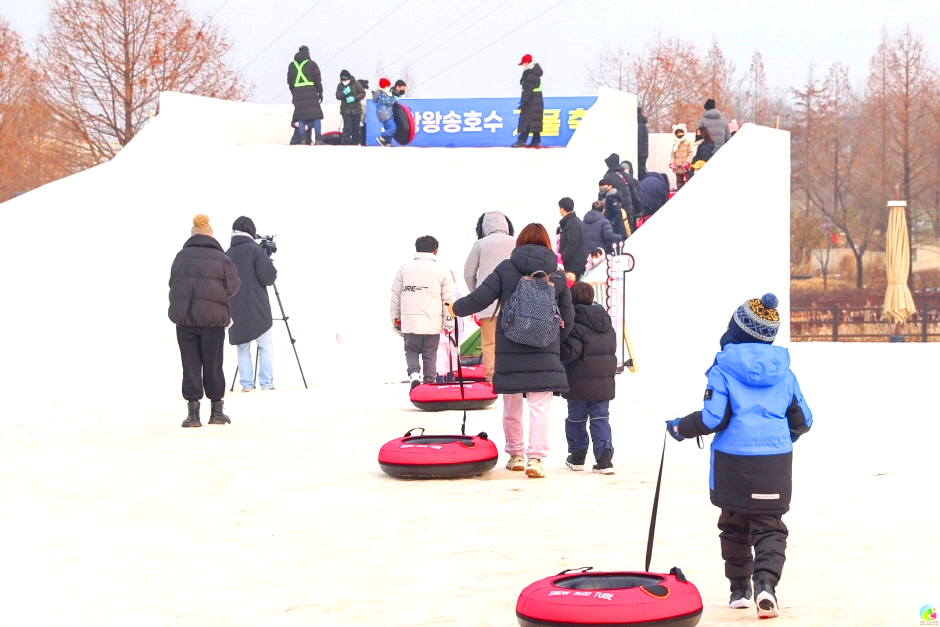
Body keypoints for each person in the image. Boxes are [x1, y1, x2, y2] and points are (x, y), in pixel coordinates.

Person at [665, 293, 812, 618]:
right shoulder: (785, 374)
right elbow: (805, 421)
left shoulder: (723, 367)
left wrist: (679, 428)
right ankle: (766, 587)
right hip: (774, 463)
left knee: (733, 525)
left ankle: (739, 591)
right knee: (770, 527)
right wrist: (780, 438)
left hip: (732, 463)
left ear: (737, 330)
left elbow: (713, 418)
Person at [448, 223, 574, 479]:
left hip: (510, 345)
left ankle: (516, 455)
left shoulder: (506, 268)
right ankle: (536, 460)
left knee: (512, 402)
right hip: (544, 347)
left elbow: (480, 297)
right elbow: (568, 316)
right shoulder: (557, 274)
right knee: (540, 405)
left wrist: (455, 309)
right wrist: (556, 338)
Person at [168, 214, 241, 428]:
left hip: (186, 320)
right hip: (213, 321)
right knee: (213, 364)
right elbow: (233, 287)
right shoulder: (222, 259)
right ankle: (217, 412)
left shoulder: (180, 257)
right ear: (212, 236)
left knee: (190, 364)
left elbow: (172, 283)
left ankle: (193, 416)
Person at [560, 282, 617, 474]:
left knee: (576, 418)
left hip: (578, 380)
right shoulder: (606, 322)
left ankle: (577, 457)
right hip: (604, 380)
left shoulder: (574, 321)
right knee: (601, 417)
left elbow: (571, 353)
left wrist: (558, 342)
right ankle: (604, 459)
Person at [390, 235, 456, 389]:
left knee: (411, 349)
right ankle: (429, 384)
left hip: (410, 323)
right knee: (430, 355)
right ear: (435, 251)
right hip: (432, 324)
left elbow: (395, 297)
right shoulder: (443, 271)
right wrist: (449, 323)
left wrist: (395, 320)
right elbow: (449, 300)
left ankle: (414, 374)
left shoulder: (403, 270)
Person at [226, 216, 278, 392]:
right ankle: (266, 384)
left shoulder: (227, 253)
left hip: (235, 307)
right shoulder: (255, 251)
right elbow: (269, 278)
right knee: (265, 346)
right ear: (251, 231)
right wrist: (266, 258)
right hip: (258, 307)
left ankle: (247, 385)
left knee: (242, 346)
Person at [464, 211, 516, 384]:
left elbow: (468, 273)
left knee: (489, 343)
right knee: (514, 341)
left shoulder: (480, 244)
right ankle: (512, 376)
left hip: (487, 303)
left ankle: (491, 378)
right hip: (514, 301)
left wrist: (477, 294)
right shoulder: (516, 242)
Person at [287, 46, 324, 145]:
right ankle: (318, 139)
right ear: (308, 53)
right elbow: (317, 80)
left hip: (298, 93)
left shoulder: (291, 66)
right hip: (311, 91)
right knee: (316, 117)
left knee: (301, 117)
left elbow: (290, 82)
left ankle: (303, 139)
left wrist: (294, 94)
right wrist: (320, 92)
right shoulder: (312, 64)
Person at [603, 153, 641, 231]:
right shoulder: (626, 176)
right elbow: (634, 194)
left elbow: (603, 197)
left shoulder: (607, 177)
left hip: (614, 209)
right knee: (629, 229)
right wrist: (639, 209)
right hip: (629, 208)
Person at [513, 54, 543, 148]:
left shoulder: (530, 75)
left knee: (526, 121)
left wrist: (523, 102)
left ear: (527, 63)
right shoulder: (535, 73)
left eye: (523, 64)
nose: (523, 66)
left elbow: (528, 90)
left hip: (531, 102)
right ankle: (536, 140)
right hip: (536, 101)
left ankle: (521, 140)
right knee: (535, 121)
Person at [557, 197, 586, 278]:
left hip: (574, 266)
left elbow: (572, 245)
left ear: (562, 209)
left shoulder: (572, 224)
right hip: (576, 263)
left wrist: (561, 259)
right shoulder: (574, 221)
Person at [336, 69, 365, 146]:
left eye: (346, 79)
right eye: (343, 80)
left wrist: (354, 98)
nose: (344, 81)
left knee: (356, 128)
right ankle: (346, 143)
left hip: (356, 110)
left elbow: (362, 93)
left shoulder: (356, 84)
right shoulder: (340, 86)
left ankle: (355, 143)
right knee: (347, 128)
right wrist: (344, 93)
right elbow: (338, 96)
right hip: (346, 110)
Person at [374, 78, 399, 147]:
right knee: (392, 128)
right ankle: (382, 137)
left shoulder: (385, 93)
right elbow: (388, 102)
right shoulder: (383, 94)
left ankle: (388, 142)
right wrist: (394, 99)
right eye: (388, 86)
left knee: (388, 128)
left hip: (386, 113)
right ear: (385, 86)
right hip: (385, 113)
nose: (389, 88)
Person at [669, 125, 694, 190]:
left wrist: (687, 162)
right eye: (678, 133)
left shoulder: (688, 142)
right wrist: (672, 163)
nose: (679, 134)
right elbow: (672, 155)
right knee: (679, 183)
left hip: (686, 167)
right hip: (678, 166)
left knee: (689, 181)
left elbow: (690, 153)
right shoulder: (675, 143)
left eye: (681, 132)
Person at [637, 106, 649, 178]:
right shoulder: (642, 124)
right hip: (642, 154)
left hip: (640, 155)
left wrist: (636, 153)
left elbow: (639, 141)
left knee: (640, 174)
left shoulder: (640, 125)